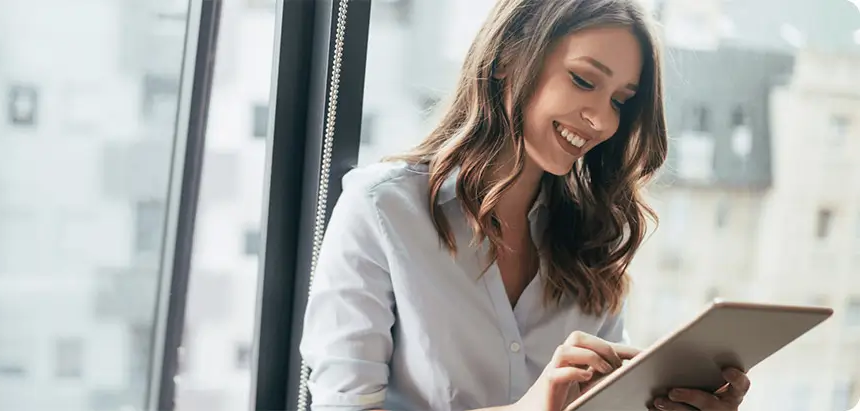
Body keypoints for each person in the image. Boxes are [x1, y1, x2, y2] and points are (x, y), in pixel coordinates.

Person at [299, 0, 752, 410]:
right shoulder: (382, 210)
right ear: (508, 59)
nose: (601, 120)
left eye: (619, 101)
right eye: (583, 80)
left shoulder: (592, 238)